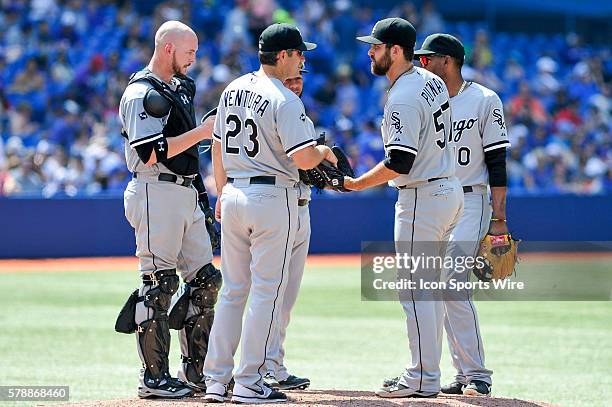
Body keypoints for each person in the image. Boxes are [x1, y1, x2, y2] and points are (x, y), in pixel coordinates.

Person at [203, 23, 337, 404]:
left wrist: (221, 189)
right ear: (283, 56)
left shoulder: (233, 88)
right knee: (267, 293)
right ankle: (249, 381)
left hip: (233, 192)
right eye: (298, 54)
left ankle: (216, 380)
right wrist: (325, 153)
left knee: (232, 291)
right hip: (271, 198)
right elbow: (305, 157)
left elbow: (216, 145)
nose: (302, 60)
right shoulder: (284, 98)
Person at [347, 18, 463, 398]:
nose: (370, 52)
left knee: (414, 291)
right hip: (447, 190)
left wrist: (356, 183)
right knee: (426, 290)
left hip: (423, 197)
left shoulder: (403, 95)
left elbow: (400, 161)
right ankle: (427, 372)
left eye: (376, 47)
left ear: (396, 51)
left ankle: (421, 377)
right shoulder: (430, 81)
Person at [116, 20, 221, 399]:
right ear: (168, 48)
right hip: (153, 188)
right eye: (189, 51)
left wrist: (203, 201)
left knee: (207, 280)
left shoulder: (179, 87)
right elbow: (150, 152)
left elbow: (185, 151)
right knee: (158, 283)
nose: (194, 58)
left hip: (183, 189)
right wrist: (202, 132)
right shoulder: (141, 92)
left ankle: (196, 371)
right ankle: (153, 377)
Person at [416, 33, 511, 397]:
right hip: (433, 198)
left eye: (428, 58)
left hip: (471, 198)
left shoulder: (484, 99)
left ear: (448, 61)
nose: (422, 63)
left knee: (452, 279)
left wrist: (499, 217)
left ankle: (477, 372)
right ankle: (459, 372)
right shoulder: (425, 100)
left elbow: (498, 161)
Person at [263, 69, 312, 391]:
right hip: (276, 207)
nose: (295, 85)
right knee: (269, 294)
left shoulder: (298, 112)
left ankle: (274, 365)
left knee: (286, 299)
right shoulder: (272, 107)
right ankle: (260, 367)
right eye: (289, 81)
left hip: (300, 207)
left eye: (299, 80)